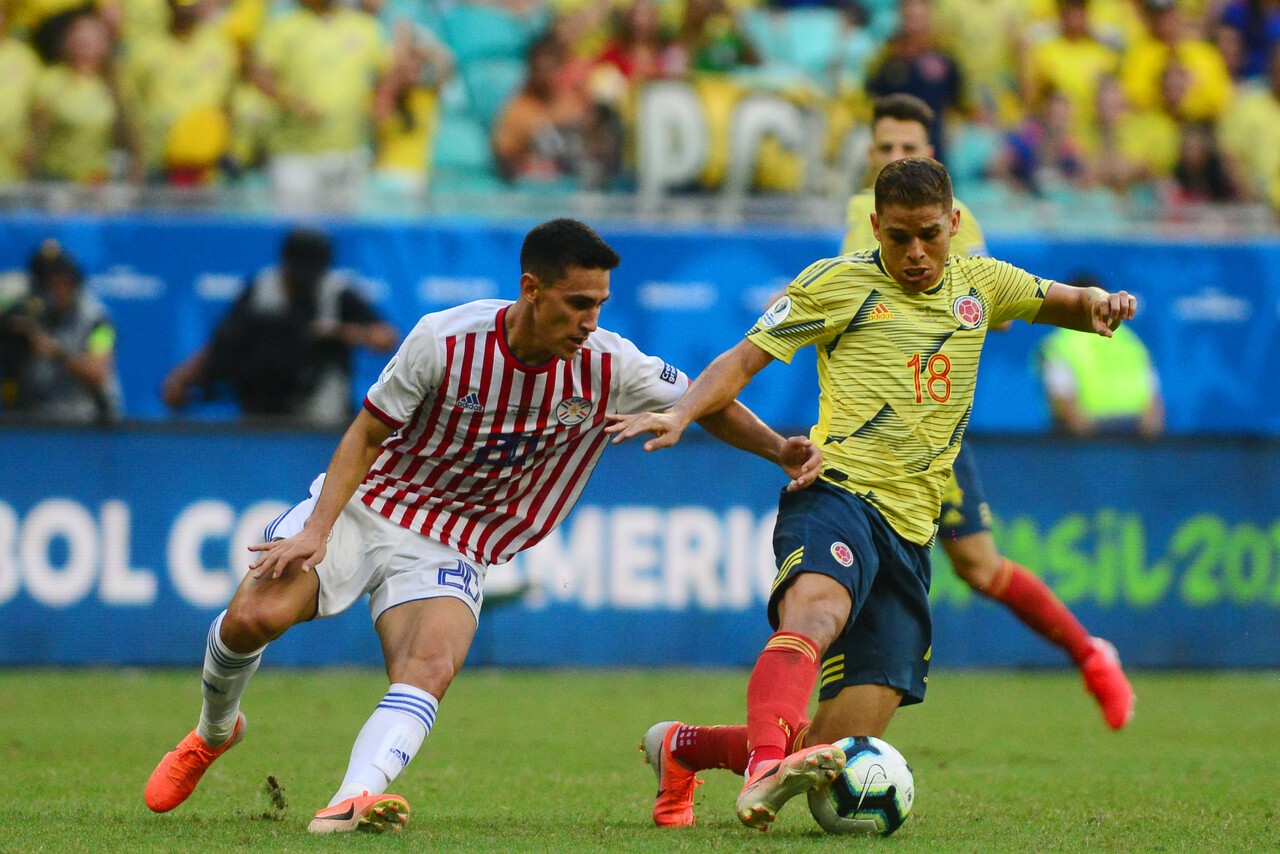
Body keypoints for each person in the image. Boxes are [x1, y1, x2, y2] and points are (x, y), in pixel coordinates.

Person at [142, 219, 822, 833]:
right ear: (531, 289)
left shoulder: (610, 362)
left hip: (454, 540)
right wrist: (318, 528)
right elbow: (367, 432)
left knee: (430, 663)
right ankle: (214, 731)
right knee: (250, 621)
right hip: (366, 506)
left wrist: (777, 448)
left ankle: (349, 800)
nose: (591, 321)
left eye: (600, 305)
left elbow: (705, 400)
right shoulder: (444, 338)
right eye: (577, 303)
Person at [607, 157, 1140, 830]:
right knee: (815, 615)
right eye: (898, 237)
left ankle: (683, 747)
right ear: (874, 227)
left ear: (953, 224)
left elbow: (1061, 300)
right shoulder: (837, 285)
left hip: (912, 531)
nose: (915, 253)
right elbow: (742, 359)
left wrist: (1101, 305)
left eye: (928, 235)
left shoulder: (983, 283)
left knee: (834, 745)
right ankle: (764, 768)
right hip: (836, 492)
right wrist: (683, 411)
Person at [846, 93, 1132, 727]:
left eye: (910, 148)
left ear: (933, 160)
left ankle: (1089, 653)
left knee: (977, 566)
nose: (897, 156)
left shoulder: (952, 224)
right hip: (861, 436)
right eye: (886, 147)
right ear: (871, 155)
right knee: (831, 580)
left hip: (926, 434)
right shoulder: (856, 220)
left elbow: (984, 305)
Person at [161, 228, 397, 427]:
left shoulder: (337, 292)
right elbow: (224, 341)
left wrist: (337, 332)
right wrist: (182, 379)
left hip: (319, 411)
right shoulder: (261, 288)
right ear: (284, 261)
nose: (303, 281)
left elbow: (385, 338)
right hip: (262, 403)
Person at [0, 239, 122, 424]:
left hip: (88, 426)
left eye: (63, 283)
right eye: (49, 284)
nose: (57, 290)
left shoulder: (100, 324)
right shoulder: (32, 316)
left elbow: (98, 373)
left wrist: (54, 350)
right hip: (37, 423)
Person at [1039, 275, 1164, 436]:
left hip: (1090, 444)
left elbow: (1064, 405)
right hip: (1134, 442)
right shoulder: (1130, 340)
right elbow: (1154, 409)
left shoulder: (1060, 344)